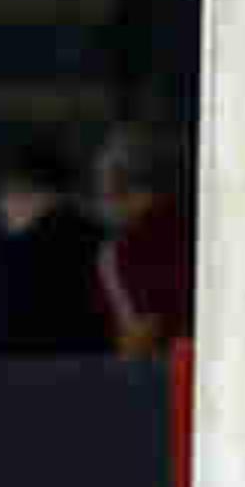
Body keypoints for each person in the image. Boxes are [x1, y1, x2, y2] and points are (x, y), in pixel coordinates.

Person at [0, 142, 110, 356]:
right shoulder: (104, 241)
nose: (0, 208)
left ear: (26, 192)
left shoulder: (18, 257)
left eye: (3, 195)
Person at [90, 120, 190, 359]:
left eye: (105, 184)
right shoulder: (194, 229)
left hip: (167, 375)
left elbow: (140, 335)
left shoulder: (130, 248)